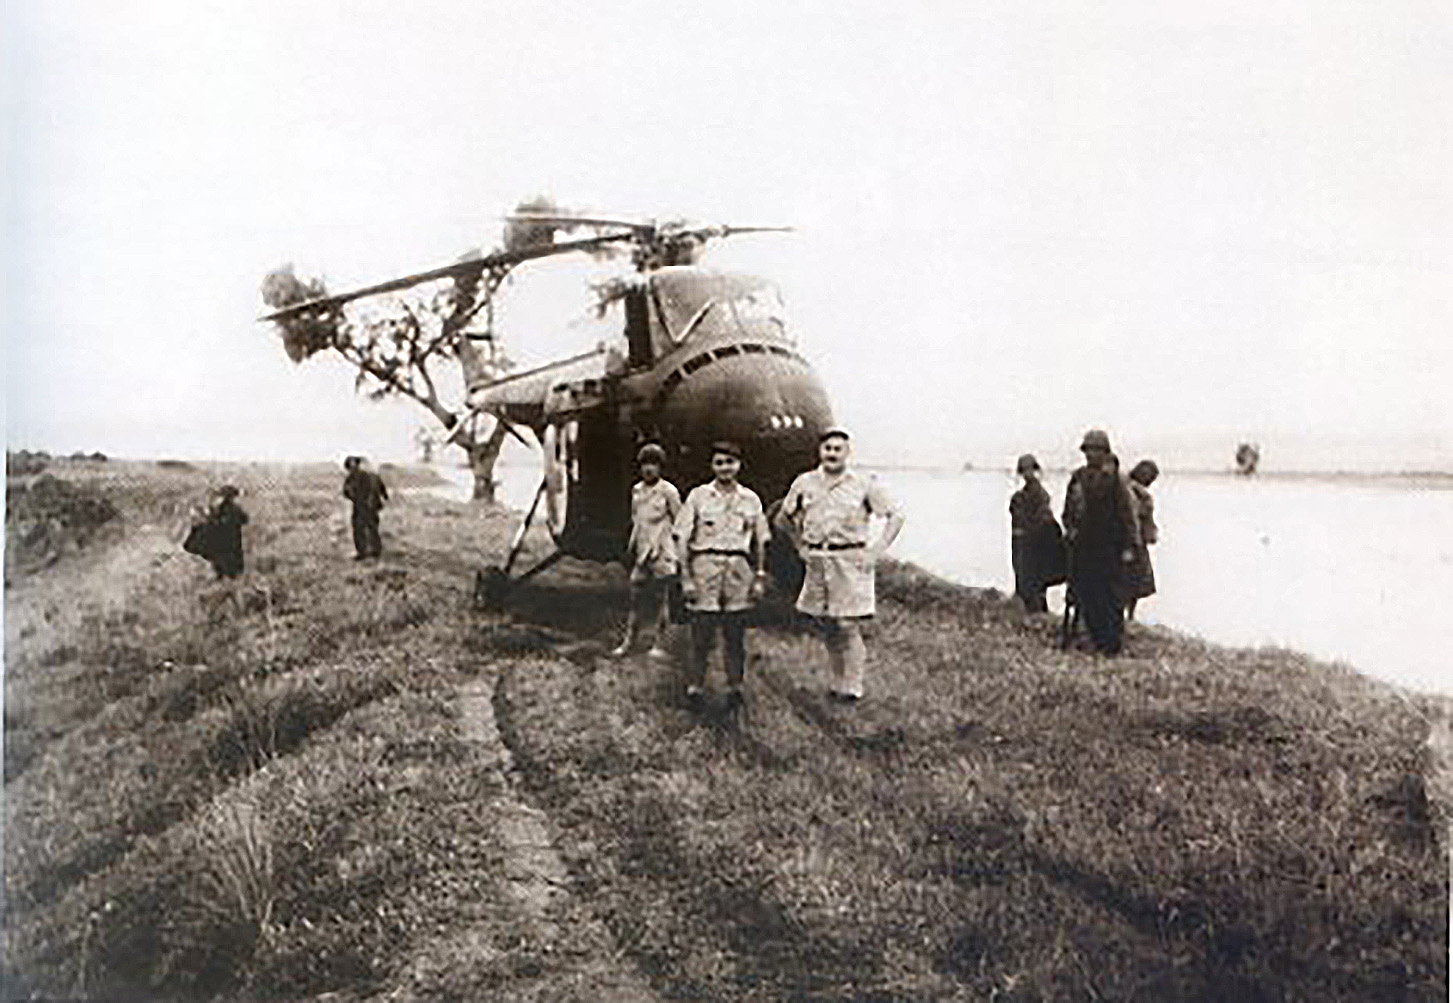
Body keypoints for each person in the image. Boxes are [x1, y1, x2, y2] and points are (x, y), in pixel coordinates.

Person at [776, 427, 905, 702]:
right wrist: (800, 546)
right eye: (827, 449)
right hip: (818, 561)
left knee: (847, 624)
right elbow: (783, 518)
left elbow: (895, 516)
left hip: (850, 560)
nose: (832, 454)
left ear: (847, 453)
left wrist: (876, 551)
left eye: (837, 449)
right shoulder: (805, 482)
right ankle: (837, 682)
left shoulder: (863, 483)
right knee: (828, 624)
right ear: (819, 452)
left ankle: (853, 686)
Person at [673, 440, 770, 709]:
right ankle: (695, 687)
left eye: (730, 462)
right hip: (705, 566)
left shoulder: (751, 499)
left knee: (735, 633)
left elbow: (761, 541)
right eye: (719, 463)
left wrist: (759, 576)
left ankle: (734, 688)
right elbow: (682, 539)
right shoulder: (698, 496)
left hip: (738, 568)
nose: (725, 468)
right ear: (712, 466)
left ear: (739, 465)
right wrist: (686, 578)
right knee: (702, 633)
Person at [1062, 429, 1141, 655]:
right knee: (1086, 593)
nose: (1091, 455)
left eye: (1096, 450)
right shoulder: (1078, 477)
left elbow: (1129, 515)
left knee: (1110, 597)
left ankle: (1110, 644)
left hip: (1110, 548)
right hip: (1084, 546)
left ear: (1105, 452)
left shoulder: (1117, 480)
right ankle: (1093, 639)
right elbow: (1068, 511)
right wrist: (1071, 531)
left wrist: (1130, 546)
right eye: (1087, 450)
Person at [613, 443, 682, 658]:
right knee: (636, 597)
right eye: (645, 464)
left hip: (662, 551)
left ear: (661, 467)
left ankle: (659, 645)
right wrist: (631, 548)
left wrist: (678, 554)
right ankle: (628, 642)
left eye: (654, 464)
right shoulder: (637, 490)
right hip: (642, 552)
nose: (649, 469)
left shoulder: (668, 491)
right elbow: (637, 521)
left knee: (662, 599)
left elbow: (680, 522)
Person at [1008, 453, 1065, 614]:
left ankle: (1037, 610)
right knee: (1026, 581)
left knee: (1034, 582)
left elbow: (1044, 520)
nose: (1027, 473)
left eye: (1030, 469)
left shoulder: (1040, 494)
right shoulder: (1020, 496)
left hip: (1035, 545)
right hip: (1023, 543)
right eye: (1024, 470)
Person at [1124, 459, 1160, 621]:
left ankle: (1129, 615)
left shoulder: (1128, 487)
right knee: (1132, 579)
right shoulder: (1133, 491)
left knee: (1134, 580)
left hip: (1136, 539)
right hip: (1132, 540)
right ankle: (1129, 616)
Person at [343, 456, 389, 559]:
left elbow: (346, 491)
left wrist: (354, 497)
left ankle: (364, 551)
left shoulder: (354, 476)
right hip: (371, 506)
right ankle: (375, 551)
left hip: (361, 506)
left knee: (360, 528)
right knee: (372, 527)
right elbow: (383, 492)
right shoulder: (373, 475)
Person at [205, 484, 248, 579]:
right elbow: (245, 520)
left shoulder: (218, 508)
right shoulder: (235, 509)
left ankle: (221, 574)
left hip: (221, 538)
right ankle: (232, 575)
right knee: (232, 557)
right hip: (232, 537)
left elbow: (210, 520)